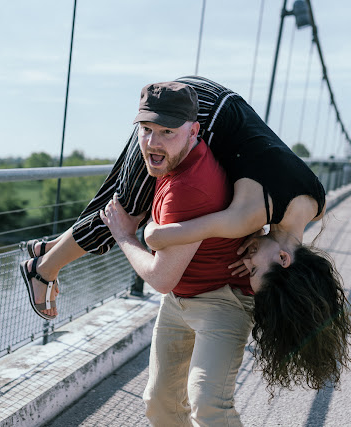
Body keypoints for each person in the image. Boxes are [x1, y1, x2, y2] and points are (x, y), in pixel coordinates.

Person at [20, 76, 351, 395]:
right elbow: (158, 238)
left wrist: (257, 240)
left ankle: (49, 248)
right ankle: (43, 270)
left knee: (112, 195)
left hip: (220, 99)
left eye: (247, 269)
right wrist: (134, 234)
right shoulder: (244, 217)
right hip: (195, 114)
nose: (246, 260)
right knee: (126, 213)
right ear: (283, 258)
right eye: (254, 267)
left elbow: (271, 192)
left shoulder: (315, 203)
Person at [99, 81, 253, 425]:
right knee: (160, 403)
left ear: (193, 130)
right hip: (180, 302)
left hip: (221, 301)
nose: (153, 143)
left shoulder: (188, 188)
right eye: (146, 129)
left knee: (210, 406)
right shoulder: (173, 157)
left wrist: (124, 235)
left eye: (167, 131)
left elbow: (161, 277)